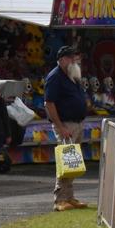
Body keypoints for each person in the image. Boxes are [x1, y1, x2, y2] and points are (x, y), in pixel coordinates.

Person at [45, 45, 89, 211]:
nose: (74, 60)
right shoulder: (54, 77)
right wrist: (60, 126)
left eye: (75, 57)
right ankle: (60, 199)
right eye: (71, 58)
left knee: (73, 162)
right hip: (65, 124)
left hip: (76, 123)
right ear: (62, 59)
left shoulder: (72, 75)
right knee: (65, 161)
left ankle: (69, 197)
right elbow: (49, 103)